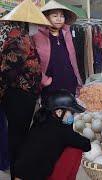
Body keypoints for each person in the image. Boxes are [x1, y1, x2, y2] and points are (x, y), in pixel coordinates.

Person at [0, 0, 52, 178]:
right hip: (18, 95)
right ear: (26, 22)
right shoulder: (19, 37)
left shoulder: (21, 35)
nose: (37, 27)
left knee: (19, 135)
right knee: (17, 137)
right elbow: (8, 70)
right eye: (35, 23)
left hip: (22, 94)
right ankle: (17, 173)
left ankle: (19, 172)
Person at [13, 90, 91, 180]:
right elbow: (86, 145)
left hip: (19, 172)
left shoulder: (41, 119)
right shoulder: (62, 130)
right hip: (35, 177)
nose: (72, 116)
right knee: (75, 149)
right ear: (59, 112)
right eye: (71, 112)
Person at [32, 0, 82, 102]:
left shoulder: (66, 34)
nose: (59, 19)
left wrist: (77, 80)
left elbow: (72, 60)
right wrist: (44, 80)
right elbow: (33, 61)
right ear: (46, 17)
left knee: (69, 114)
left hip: (69, 82)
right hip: (50, 85)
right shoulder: (37, 35)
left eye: (61, 16)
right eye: (55, 16)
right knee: (51, 114)